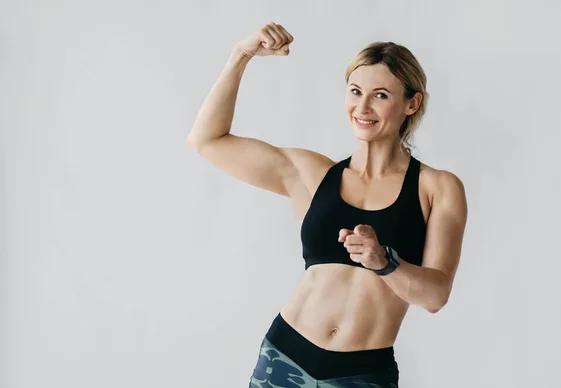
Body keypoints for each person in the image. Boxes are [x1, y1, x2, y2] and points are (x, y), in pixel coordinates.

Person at [187, 22, 468, 388]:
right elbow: (207, 140)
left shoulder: (437, 188)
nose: (362, 107)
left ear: (411, 103)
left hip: (362, 375)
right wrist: (242, 55)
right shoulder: (312, 174)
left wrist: (385, 262)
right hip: (284, 357)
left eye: (380, 95)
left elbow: (435, 296)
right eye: (355, 91)